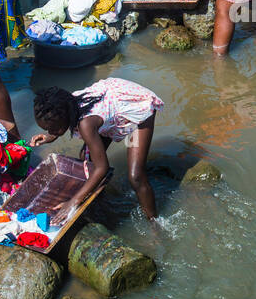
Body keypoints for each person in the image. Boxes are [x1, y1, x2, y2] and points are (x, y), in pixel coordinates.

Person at [31, 80, 162, 221]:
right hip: (111, 106)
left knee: (135, 176)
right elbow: (59, 124)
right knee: (86, 159)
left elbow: (102, 167)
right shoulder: (65, 105)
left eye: (53, 128)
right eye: (47, 130)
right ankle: (99, 198)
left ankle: (154, 222)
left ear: (63, 117)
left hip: (136, 109)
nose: (51, 131)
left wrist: (73, 202)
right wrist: (49, 137)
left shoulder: (85, 124)